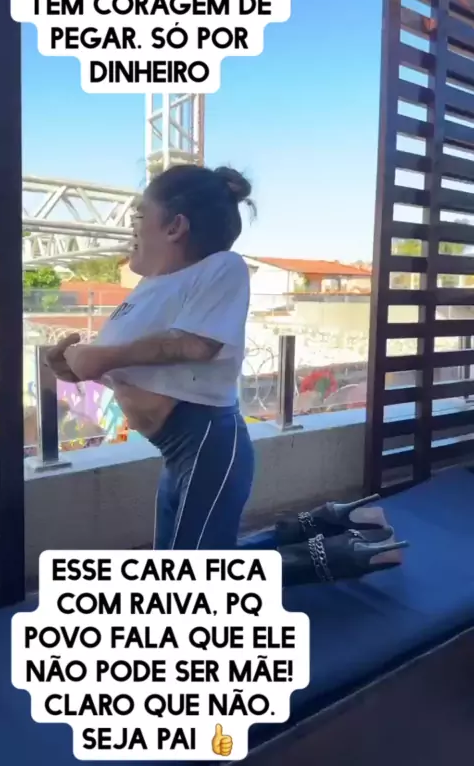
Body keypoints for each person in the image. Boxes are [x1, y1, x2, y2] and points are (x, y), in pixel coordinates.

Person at [46, 164, 407, 583]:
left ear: (175, 226)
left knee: (190, 580)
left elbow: (196, 345)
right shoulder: (146, 291)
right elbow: (131, 369)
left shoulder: (222, 268)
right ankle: (335, 523)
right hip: (177, 453)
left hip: (207, 444)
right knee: (181, 570)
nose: (132, 228)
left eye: (139, 216)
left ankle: (349, 554)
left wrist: (103, 357)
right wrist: (73, 366)